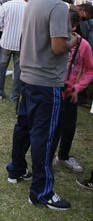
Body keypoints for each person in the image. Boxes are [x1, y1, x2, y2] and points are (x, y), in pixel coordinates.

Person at [7, 0, 79, 211]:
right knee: (45, 137)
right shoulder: (58, 6)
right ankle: (41, 192)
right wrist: (74, 40)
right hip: (47, 82)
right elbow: (59, 47)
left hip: (27, 77)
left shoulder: (34, 1)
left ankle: (16, 169)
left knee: (24, 126)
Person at [53, 10, 93, 173]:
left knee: (68, 126)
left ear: (74, 26)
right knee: (51, 125)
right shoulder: (55, 40)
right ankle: (47, 156)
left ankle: (63, 156)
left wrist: (78, 87)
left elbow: (90, 70)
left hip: (70, 91)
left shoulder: (83, 45)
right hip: (51, 88)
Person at [0, 0, 27, 102]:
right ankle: (14, 96)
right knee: (18, 70)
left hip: (6, 41)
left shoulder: (6, 5)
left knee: (2, 67)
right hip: (21, 43)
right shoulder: (28, 7)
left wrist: (5, 27)